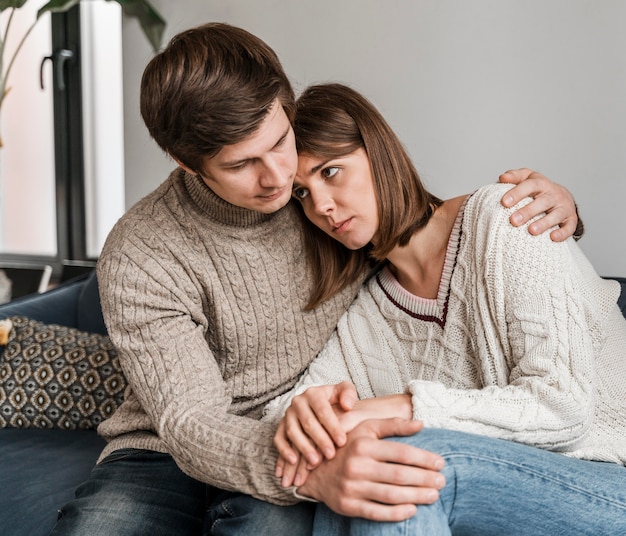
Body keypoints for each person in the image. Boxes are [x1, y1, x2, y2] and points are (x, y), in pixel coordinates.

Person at [50, 23, 583, 535]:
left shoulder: (319, 196)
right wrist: (309, 474)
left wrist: (551, 212)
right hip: (169, 449)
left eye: (280, 140)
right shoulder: (141, 251)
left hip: (305, 429)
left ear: (289, 107)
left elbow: (425, 226)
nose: (279, 179)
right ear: (186, 162)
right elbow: (189, 421)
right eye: (242, 165)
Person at [262, 83, 626, 534]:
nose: (321, 206)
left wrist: (394, 409)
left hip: (609, 477)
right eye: (301, 193)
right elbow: (286, 411)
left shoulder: (505, 217)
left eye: (331, 172)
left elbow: (562, 408)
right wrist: (301, 417)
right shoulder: (367, 312)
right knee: (366, 474)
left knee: (408, 468)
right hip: (493, 491)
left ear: (377, 151)